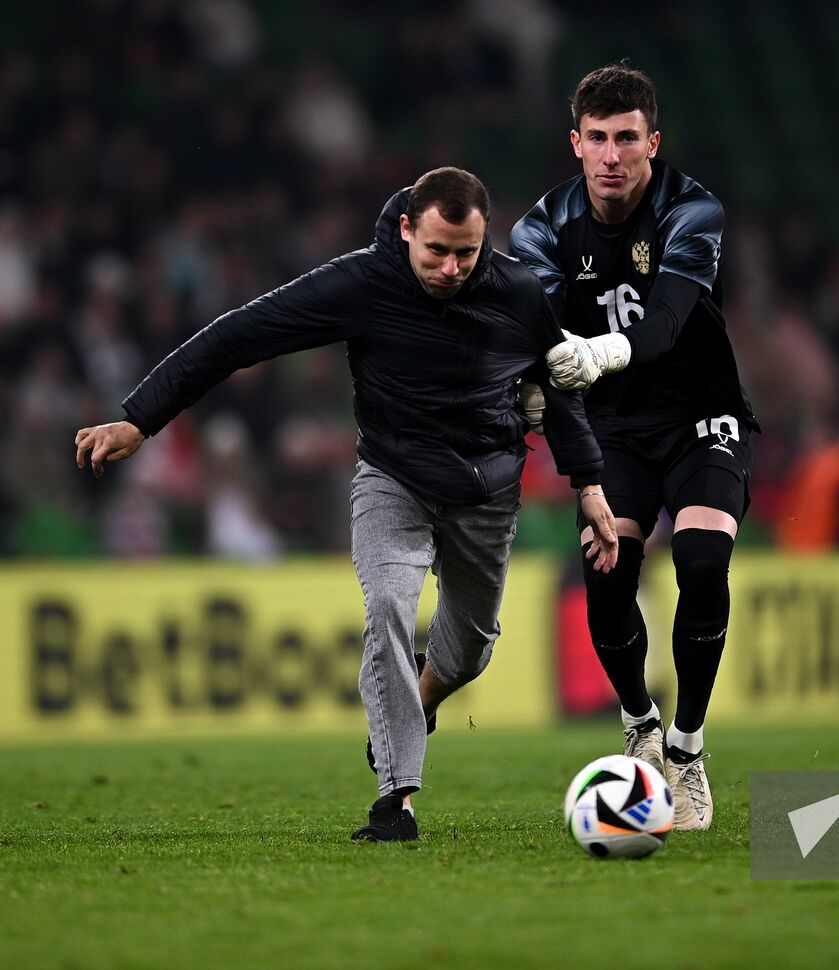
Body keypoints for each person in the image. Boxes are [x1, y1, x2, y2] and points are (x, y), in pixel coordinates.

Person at [75, 166, 620, 842]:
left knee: (471, 648)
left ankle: (421, 698)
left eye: (466, 253)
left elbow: (558, 384)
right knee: (388, 605)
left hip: (487, 490)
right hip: (392, 477)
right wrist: (139, 418)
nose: (452, 267)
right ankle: (397, 799)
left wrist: (589, 484)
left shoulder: (519, 293)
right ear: (405, 229)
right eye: (436, 251)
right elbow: (237, 336)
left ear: (485, 240)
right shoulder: (362, 283)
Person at [510, 63, 758, 831]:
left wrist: (600, 353)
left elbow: (668, 323)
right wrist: (528, 380)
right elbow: (537, 330)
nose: (612, 155)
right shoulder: (541, 229)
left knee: (702, 557)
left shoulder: (692, 211)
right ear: (575, 144)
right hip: (610, 429)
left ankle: (686, 749)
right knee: (608, 567)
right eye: (598, 139)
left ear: (654, 141)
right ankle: (640, 721)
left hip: (700, 415)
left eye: (627, 139)